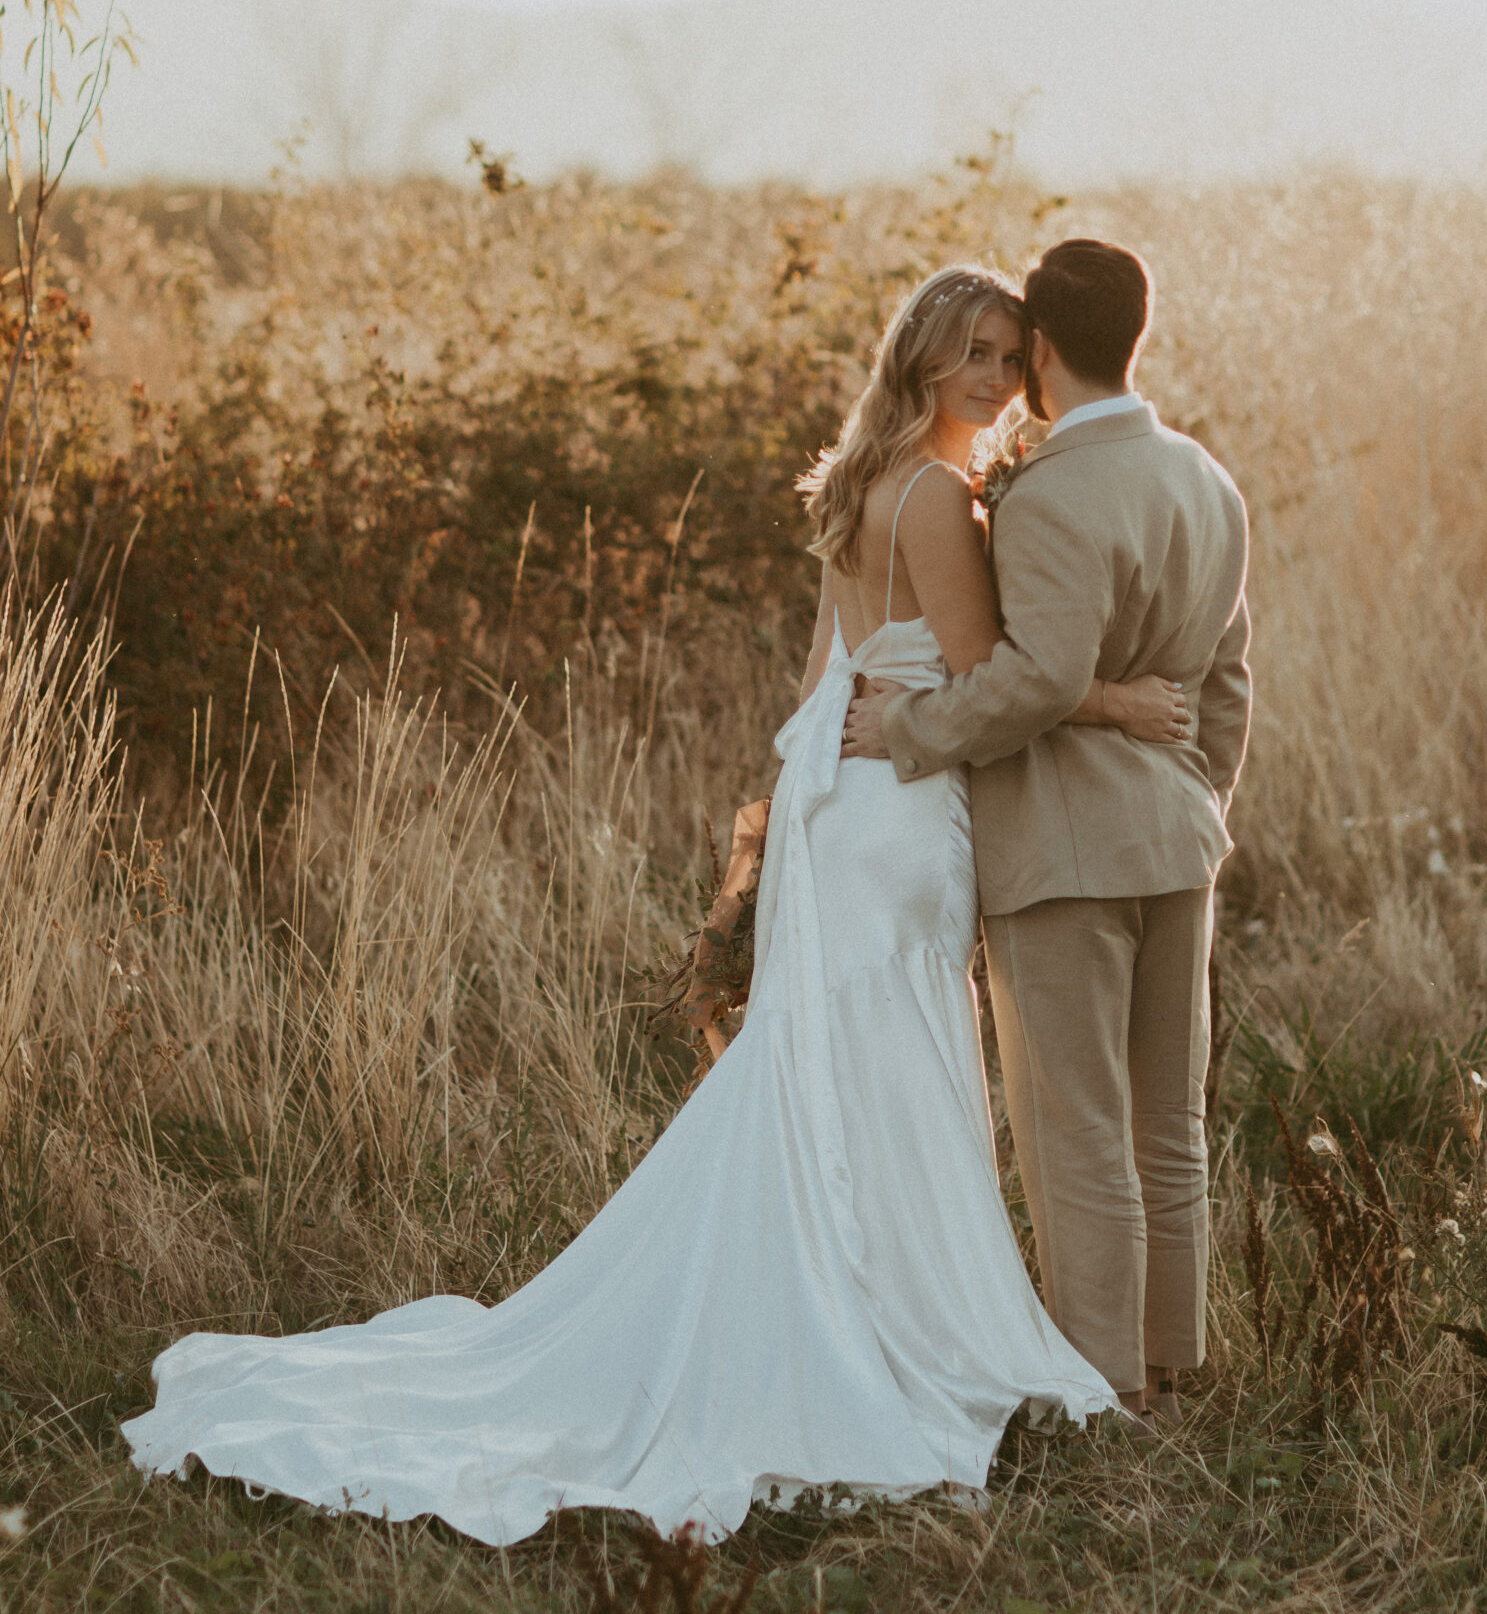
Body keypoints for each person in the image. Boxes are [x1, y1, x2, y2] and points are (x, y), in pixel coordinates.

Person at [122, 266, 1182, 1545]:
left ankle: (843, 1305)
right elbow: (986, 680)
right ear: (919, 361)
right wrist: (1121, 701)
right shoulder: (941, 499)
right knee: (893, 1058)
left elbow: (821, 675)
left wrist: (783, 822)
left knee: (832, 1066)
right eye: (972, 353)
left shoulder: (861, 489)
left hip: (829, 808)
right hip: (899, 810)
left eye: (1010, 355)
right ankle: (888, 1334)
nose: (997, 377)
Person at [842, 238, 1252, 1435]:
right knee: (1169, 1123)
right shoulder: (1204, 478)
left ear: (1048, 354)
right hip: (1181, 844)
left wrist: (910, 729)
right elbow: (1226, 683)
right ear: (1137, 333)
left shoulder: (1048, 494)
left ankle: (1106, 1393)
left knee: (1077, 1131)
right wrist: (1194, 797)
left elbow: (1033, 680)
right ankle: (1175, 1375)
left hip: (1062, 854)